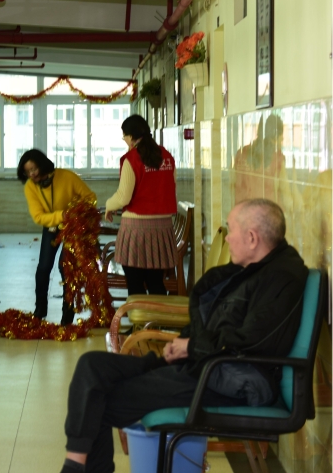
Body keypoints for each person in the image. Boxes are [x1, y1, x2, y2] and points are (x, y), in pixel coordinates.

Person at [59, 199, 307, 473]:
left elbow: (253, 341)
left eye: (231, 229)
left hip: (232, 379)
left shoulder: (281, 278)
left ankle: (74, 468)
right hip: (207, 364)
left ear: (251, 238)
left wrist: (192, 346)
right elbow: (221, 322)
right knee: (93, 366)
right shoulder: (253, 269)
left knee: (100, 401)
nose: (228, 237)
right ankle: (75, 465)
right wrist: (185, 344)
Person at [17, 149, 96, 325]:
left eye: (34, 169)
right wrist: (63, 215)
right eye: (27, 172)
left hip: (74, 227)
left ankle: (67, 314)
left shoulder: (66, 176)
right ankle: (40, 309)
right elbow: (38, 217)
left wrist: (76, 214)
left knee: (65, 267)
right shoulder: (31, 186)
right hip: (53, 226)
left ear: (42, 164)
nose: (32, 174)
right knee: (43, 267)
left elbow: (90, 198)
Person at [104, 115, 178, 295]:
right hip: (162, 228)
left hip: (136, 230)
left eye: (124, 136)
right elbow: (172, 187)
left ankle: (139, 323)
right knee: (155, 282)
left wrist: (108, 205)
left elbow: (123, 197)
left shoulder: (131, 159)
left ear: (130, 136)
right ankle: (157, 322)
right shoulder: (166, 156)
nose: (124, 140)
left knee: (135, 283)